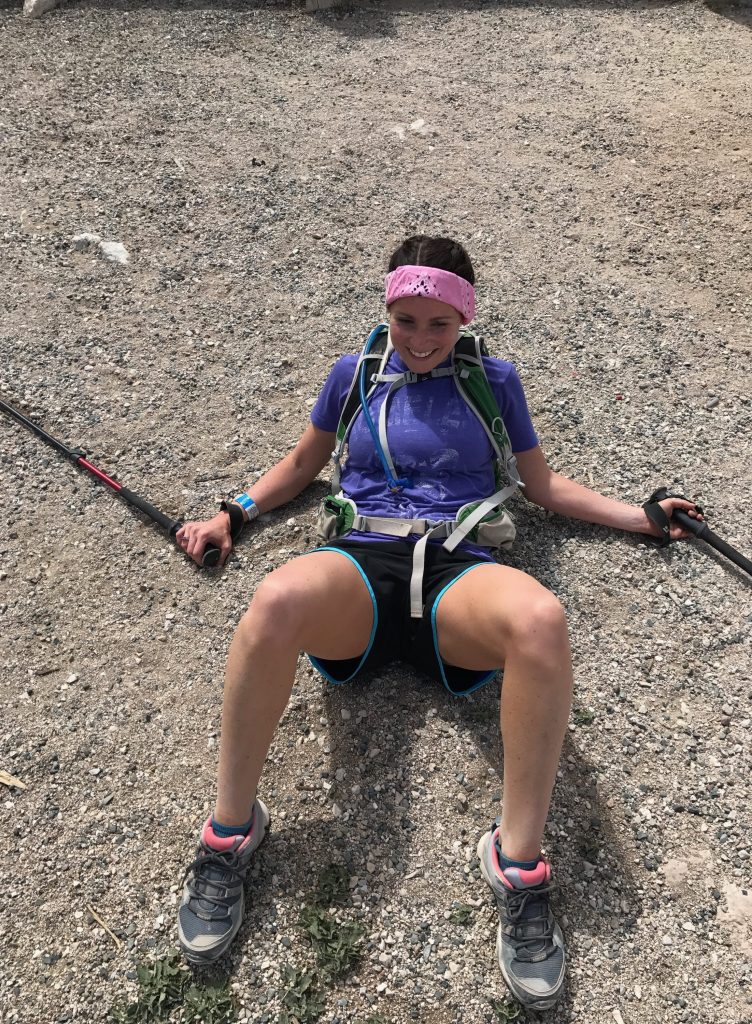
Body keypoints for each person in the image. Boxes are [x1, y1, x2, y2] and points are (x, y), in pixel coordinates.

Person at [174, 235, 700, 1011]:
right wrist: (233, 511)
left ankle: (518, 864)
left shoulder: (495, 381)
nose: (420, 340)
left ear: (464, 318)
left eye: (438, 324)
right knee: (275, 603)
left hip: (457, 566)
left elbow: (542, 485)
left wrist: (640, 517)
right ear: (387, 311)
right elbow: (301, 466)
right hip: (365, 558)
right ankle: (229, 832)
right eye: (405, 320)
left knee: (541, 619)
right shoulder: (352, 376)